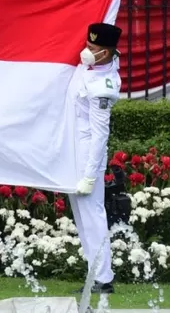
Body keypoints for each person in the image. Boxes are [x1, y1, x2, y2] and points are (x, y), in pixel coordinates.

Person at [70, 22, 122, 294]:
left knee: (92, 214)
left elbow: (100, 135)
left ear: (106, 52)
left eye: (94, 49)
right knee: (82, 216)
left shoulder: (104, 84)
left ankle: (104, 278)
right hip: (74, 150)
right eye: (88, 46)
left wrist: (90, 175)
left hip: (88, 154)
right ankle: (95, 274)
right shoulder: (93, 67)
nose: (87, 52)